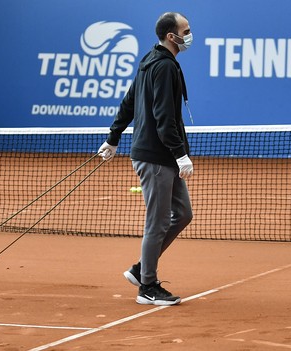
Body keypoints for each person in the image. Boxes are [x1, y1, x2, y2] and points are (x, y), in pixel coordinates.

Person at [98, 12, 194, 306]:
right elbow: (163, 117)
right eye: (186, 30)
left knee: (183, 214)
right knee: (158, 221)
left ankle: (141, 268)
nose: (190, 35)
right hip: (156, 157)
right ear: (171, 36)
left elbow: (128, 102)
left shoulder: (151, 60)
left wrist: (113, 139)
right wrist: (181, 155)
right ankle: (147, 287)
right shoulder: (160, 66)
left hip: (161, 155)